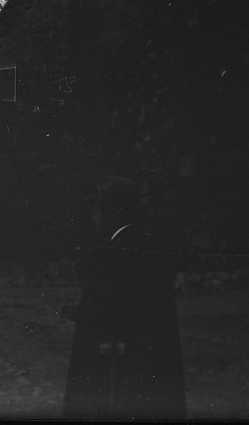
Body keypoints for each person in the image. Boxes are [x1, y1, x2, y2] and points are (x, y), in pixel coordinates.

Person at [63, 175, 185, 420]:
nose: (94, 216)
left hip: (124, 357)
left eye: (98, 209)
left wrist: (84, 313)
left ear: (112, 212)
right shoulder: (138, 242)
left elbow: (117, 307)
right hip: (146, 354)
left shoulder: (120, 249)